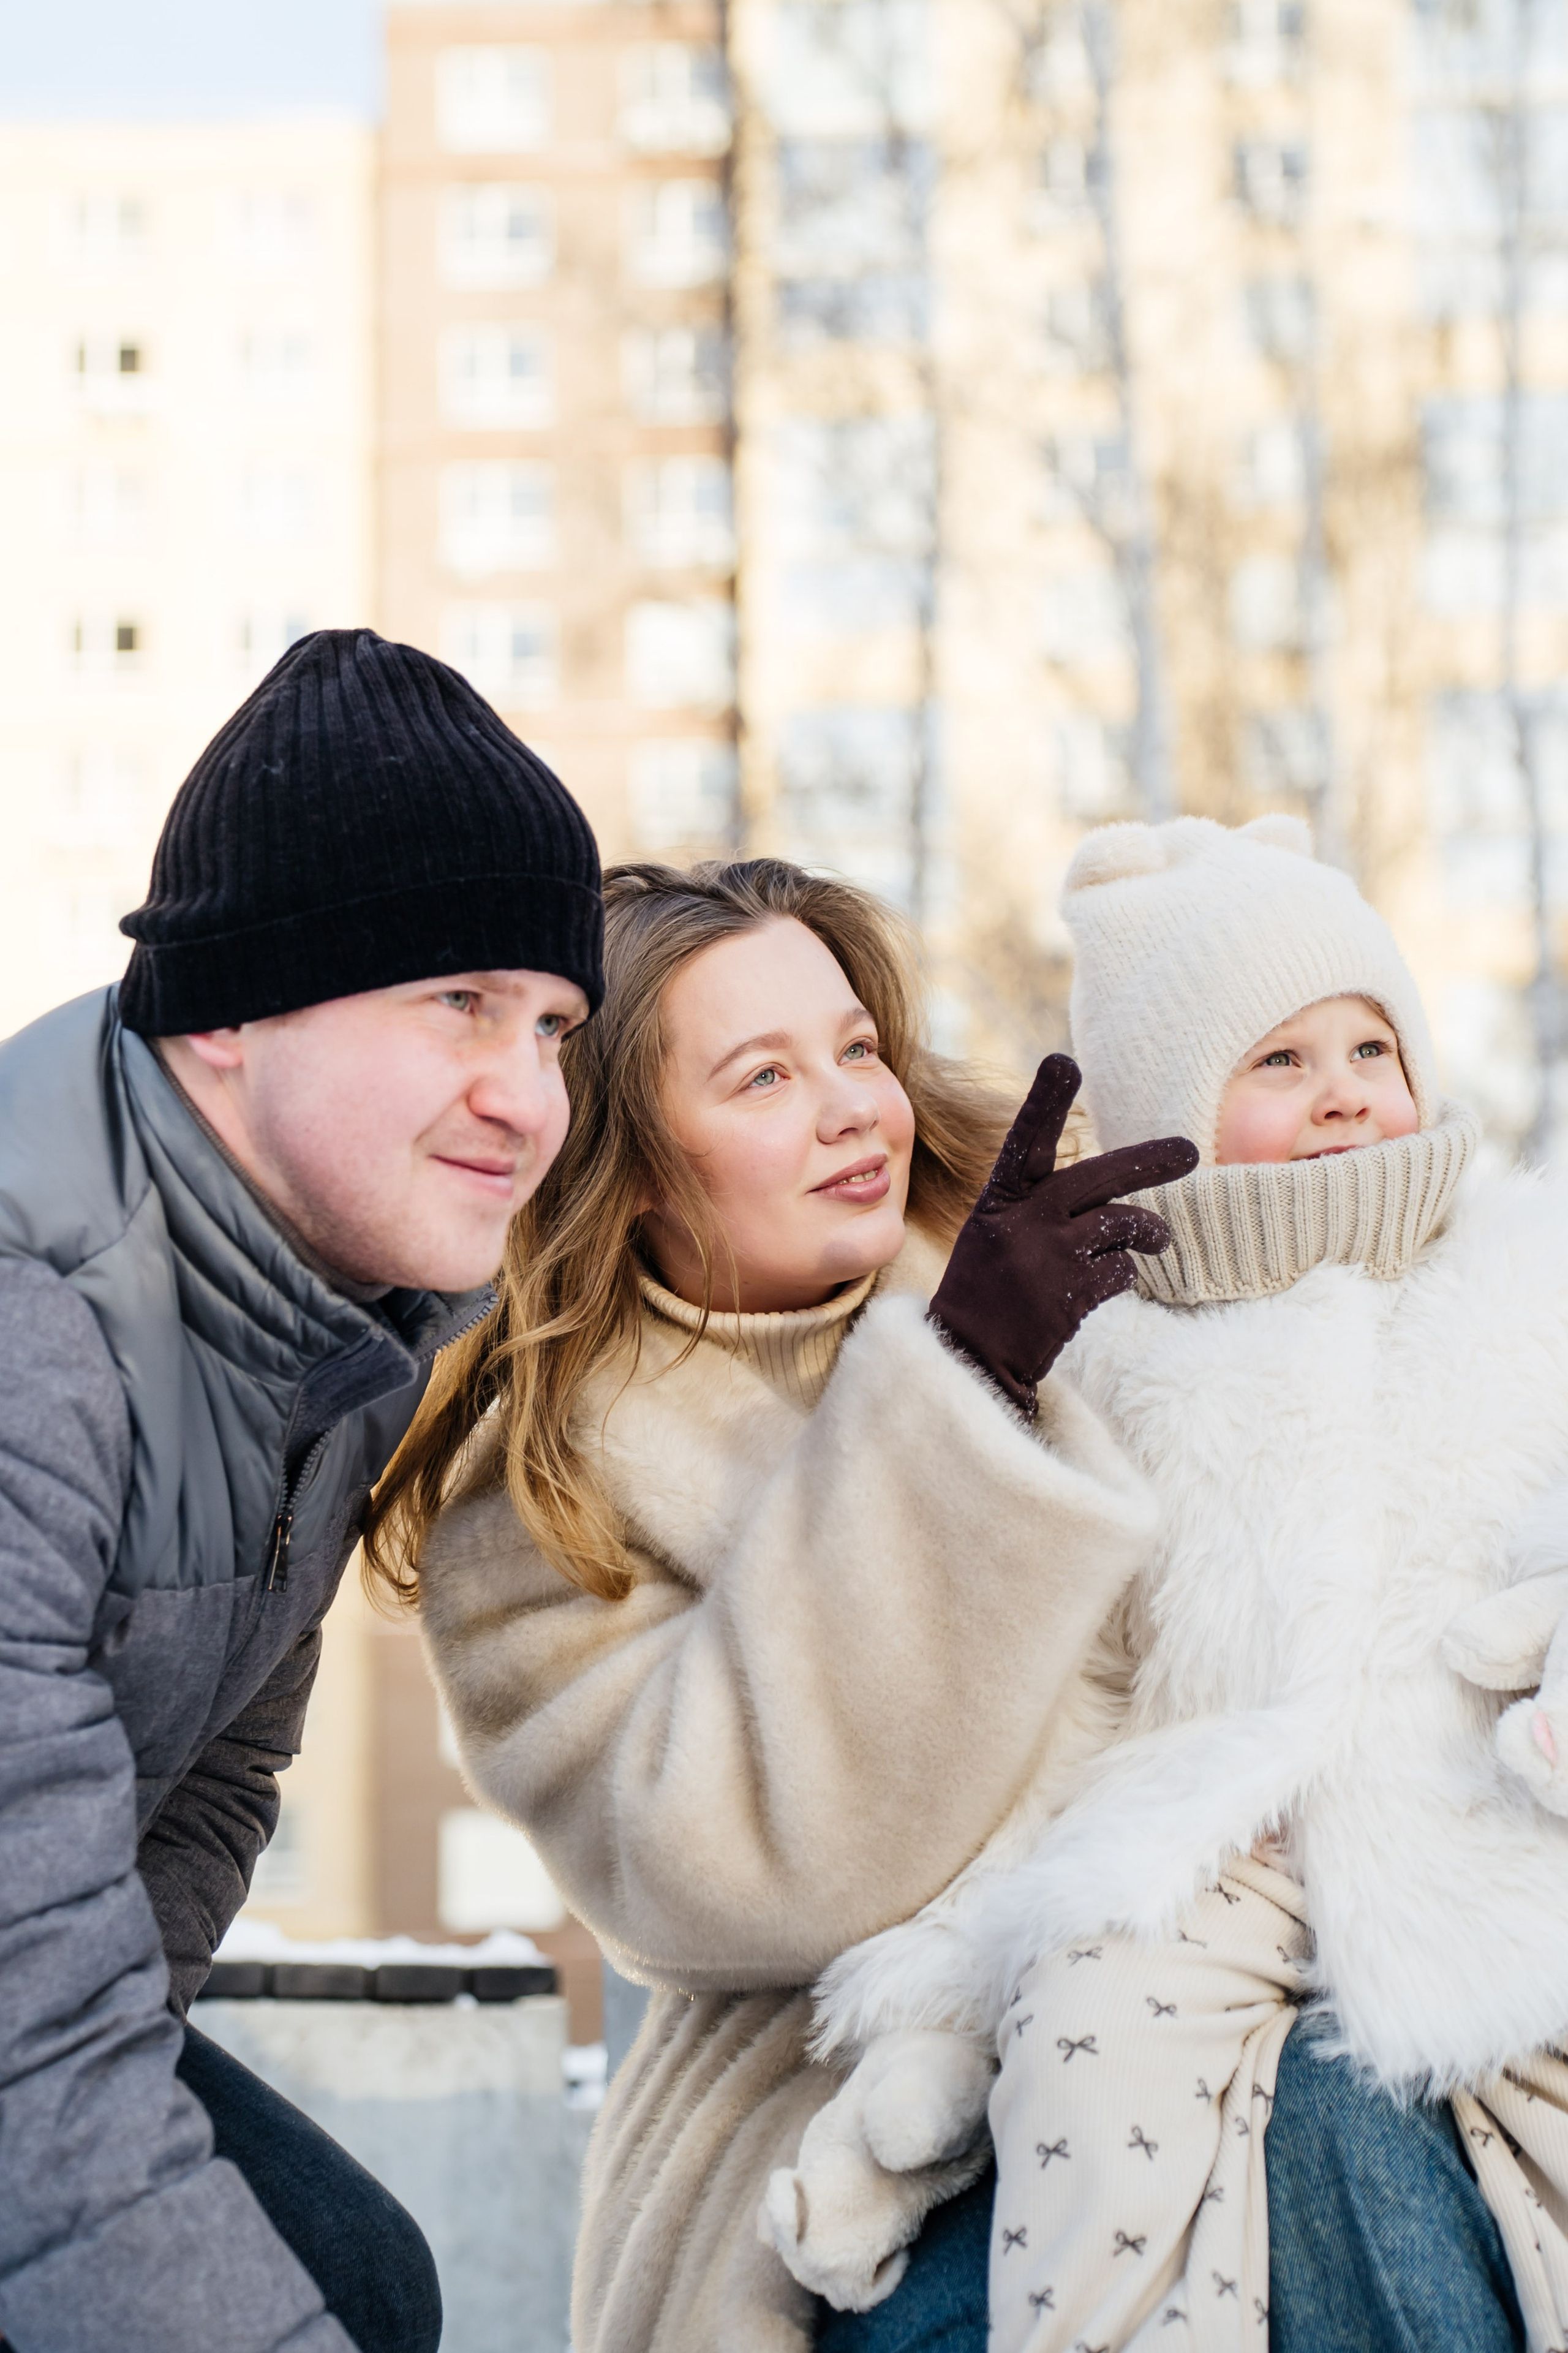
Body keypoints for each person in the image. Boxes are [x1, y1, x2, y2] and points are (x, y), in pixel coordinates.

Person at [368, 856, 1196, 2353]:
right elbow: (743, 1864)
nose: (852, 1112)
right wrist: (952, 1403)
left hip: (1195, 2037)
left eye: (857, 1050)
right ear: (621, 1172)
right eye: (762, 1077)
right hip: (824, 2161)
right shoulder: (543, 1491)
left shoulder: (1070, 1302)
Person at [797, 813, 1568, 2352]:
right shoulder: (1116, 1350)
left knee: (1515, 2076)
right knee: (1089, 2036)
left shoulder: (1520, 1274)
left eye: (1369, 1042)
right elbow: (1065, 1676)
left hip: (1475, 1813)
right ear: (1169, 1114)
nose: (1343, 1086)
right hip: (1214, 1836)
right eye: (1275, 1062)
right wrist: (970, 1954)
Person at [0, 627, 604, 2353]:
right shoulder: (37, 1336)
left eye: (554, 1024)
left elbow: (212, 1781)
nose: (530, 1097)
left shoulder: (336, 1335)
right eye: (459, 1003)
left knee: (351, 2265)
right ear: (233, 1016)